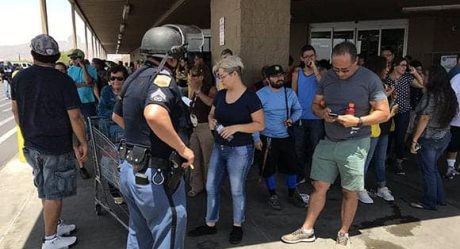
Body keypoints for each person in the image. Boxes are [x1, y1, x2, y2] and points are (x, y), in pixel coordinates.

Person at [281, 42, 389, 248]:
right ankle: (307, 229)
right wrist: (323, 113)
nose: (339, 73)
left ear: (356, 61)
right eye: (336, 68)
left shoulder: (369, 79)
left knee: (350, 191)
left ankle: (343, 231)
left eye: (345, 69)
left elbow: (383, 113)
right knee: (319, 186)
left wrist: (358, 121)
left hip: (356, 142)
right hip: (329, 140)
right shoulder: (328, 76)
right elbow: (315, 104)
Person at [112, 24, 195, 249]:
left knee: (139, 235)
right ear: (173, 54)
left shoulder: (133, 77)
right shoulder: (163, 78)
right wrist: (182, 149)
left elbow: (117, 117)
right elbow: (155, 114)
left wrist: (145, 137)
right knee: (169, 229)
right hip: (155, 174)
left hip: (131, 169)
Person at [11, 34, 87, 249]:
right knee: (54, 193)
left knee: (45, 187)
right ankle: (51, 239)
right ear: (55, 56)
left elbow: (16, 111)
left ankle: (54, 225)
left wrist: (28, 132)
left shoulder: (19, 77)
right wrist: (83, 142)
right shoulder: (63, 80)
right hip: (55, 145)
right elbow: (74, 116)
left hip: (32, 144)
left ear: (33, 53)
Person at [188, 55, 264, 244]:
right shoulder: (221, 95)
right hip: (220, 146)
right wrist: (212, 120)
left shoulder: (250, 98)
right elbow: (213, 113)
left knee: (236, 189)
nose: (220, 80)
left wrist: (237, 127)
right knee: (211, 185)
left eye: (222, 76)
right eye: (219, 76)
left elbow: (260, 125)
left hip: (240, 149)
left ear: (235, 73)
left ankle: (237, 225)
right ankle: (210, 223)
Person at [254, 64, 307, 210]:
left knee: (292, 167)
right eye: (275, 76)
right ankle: (272, 195)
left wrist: (292, 119)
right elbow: (253, 118)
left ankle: (292, 193)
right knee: (268, 168)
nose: (279, 78)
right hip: (268, 137)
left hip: (286, 137)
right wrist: (256, 138)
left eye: (281, 75)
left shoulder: (289, 93)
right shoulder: (260, 94)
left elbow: (298, 110)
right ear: (267, 79)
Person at [409, 65, 458, 210]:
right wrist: (417, 75)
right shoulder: (449, 93)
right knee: (433, 168)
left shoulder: (432, 95)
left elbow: (424, 118)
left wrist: (414, 140)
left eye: (426, 75)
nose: (424, 77)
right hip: (444, 135)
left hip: (429, 137)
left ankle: (429, 201)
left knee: (428, 170)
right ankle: (439, 197)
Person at [359, 56, 398, 204]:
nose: (388, 69)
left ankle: (381, 187)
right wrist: (385, 98)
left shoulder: (385, 83)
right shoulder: (369, 84)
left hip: (384, 127)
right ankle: (359, 189)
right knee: (366, 160)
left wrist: (390, 99)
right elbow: (369, 106)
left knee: (380, 159)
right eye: (386, 66)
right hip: (372, 127)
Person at [385, 57, 424, 174]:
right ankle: (386, 158)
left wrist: (415, 73)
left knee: (400, 136)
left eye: (405, 65)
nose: (404, 67)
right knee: (388, 136)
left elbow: (421, 85)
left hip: (403, 111)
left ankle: (399, 161)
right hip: (389, 111)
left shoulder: (406, 77)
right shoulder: (387, 78)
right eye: (402, 65)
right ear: (395, 66)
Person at [291, 45, 324, 183]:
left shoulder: (321, 72)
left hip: (316, 116)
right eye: (306, 57)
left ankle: (314, 175)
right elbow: (293, 93)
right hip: (300, 116)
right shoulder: (297, 74)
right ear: (301, 58)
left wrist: (315, 68)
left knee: (315, 147)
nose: (309, 59)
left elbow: (323, 85)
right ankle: (300, 174)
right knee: (299, 147)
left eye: (312, 56)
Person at [67, 48, 98, 179]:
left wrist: (83, 67)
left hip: (89, 104)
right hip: (74, 105)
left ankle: (92, 156)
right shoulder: (70, 70)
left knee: (90, 134)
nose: (73, 61)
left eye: (75, 58)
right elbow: (70, 86)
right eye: (72, 59)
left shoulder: (90, 69)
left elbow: (90, 82)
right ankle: (81, 166)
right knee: (76, 136)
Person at [187, 65, 217, 197]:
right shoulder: (192, 90)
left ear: (201, 76)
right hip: (195, 127)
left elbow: (211, 103)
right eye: (190, 75)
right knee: (194, 158)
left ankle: (210, 186)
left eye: (194, 75)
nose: (191, 78)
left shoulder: (210, 89)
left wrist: (199, 92)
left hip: (205, 126)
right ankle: (196, 185)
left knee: (208, 159)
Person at [97, 65, 127, 142]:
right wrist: (117, 116)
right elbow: (101, 111)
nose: (116, 81)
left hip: (126, 123)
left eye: (119, 78)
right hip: (110, 123)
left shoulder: (130, 92)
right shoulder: (106, 90)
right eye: (113, 78)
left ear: (125, 79)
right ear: (109, 80)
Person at [446, 73, 460, 178]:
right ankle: (450, 167)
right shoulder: (458, 78)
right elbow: (450, 94)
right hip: (457, 120)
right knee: (454, 144)